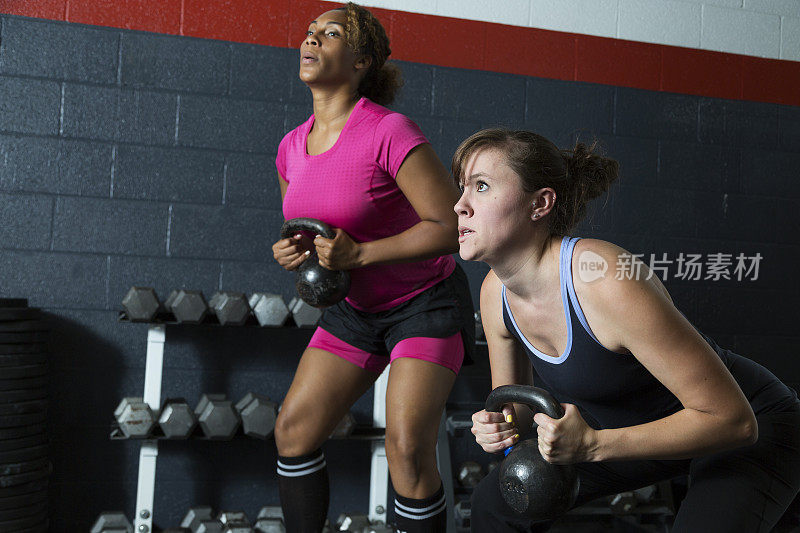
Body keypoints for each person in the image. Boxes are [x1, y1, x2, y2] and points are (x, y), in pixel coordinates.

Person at [452, 128, 800, 532]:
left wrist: (595, 445)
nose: (461, 206)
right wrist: (499, 426)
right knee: (496, 501)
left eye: (481, 186)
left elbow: (733, 421)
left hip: (750, 426)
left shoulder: (604, 279)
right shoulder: (495, 293)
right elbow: (519, 413)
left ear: (540, 204)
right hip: (646, 436)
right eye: (462, 189)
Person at [271, 3, 474, 532]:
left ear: (361, 60)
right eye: (309, 32)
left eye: (329, 34)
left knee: (407, 451)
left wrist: (359, 255)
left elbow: (452, 228)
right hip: (354, 312)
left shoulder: (388, 131)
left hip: (423, 304)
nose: (310, 40)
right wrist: (292, 250)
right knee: (293, 430)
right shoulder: (291, 147)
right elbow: (306, 228)